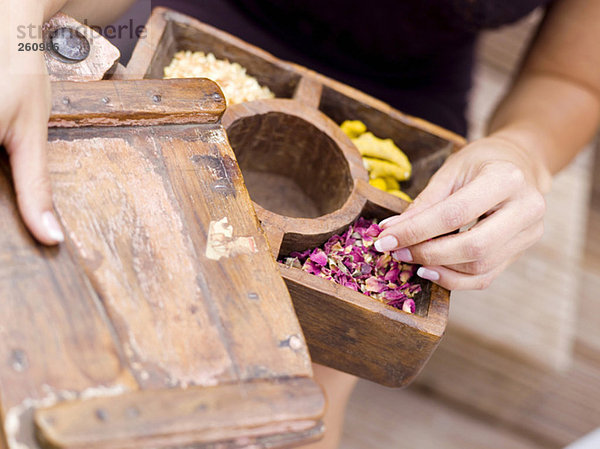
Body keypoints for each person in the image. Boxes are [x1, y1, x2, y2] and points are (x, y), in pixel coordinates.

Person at [2, 1, 599, 448]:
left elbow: (573, 79)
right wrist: (17, 24)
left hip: (396, 98)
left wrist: (525, 153)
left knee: (283, 408)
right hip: (201, 26)